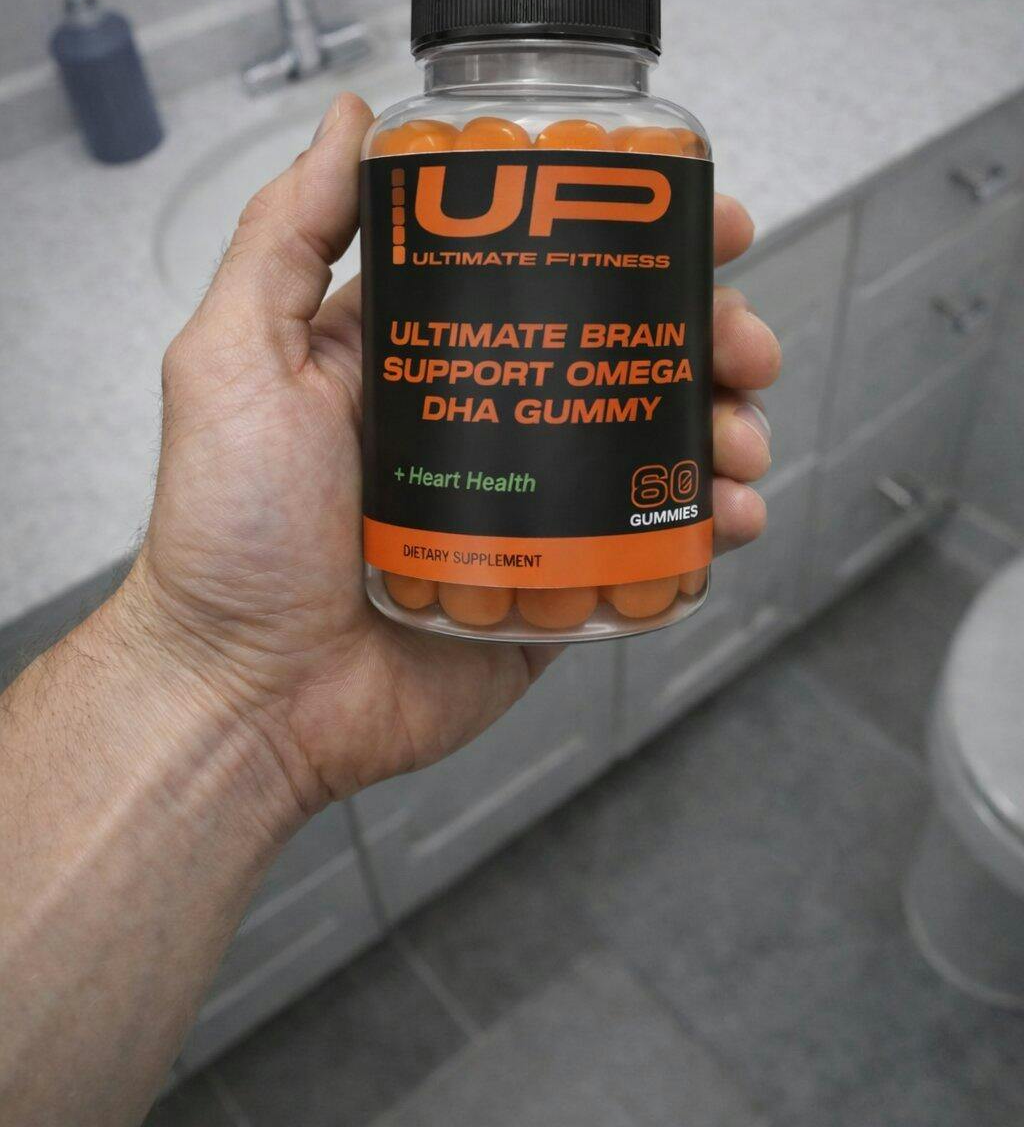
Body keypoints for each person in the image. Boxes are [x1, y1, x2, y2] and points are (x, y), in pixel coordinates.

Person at [0, 93, 780, 1127]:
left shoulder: (652, 142)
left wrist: (219, 691)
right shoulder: (412, 145)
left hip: (605, 535)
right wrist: (214, 668)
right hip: (418, 553)